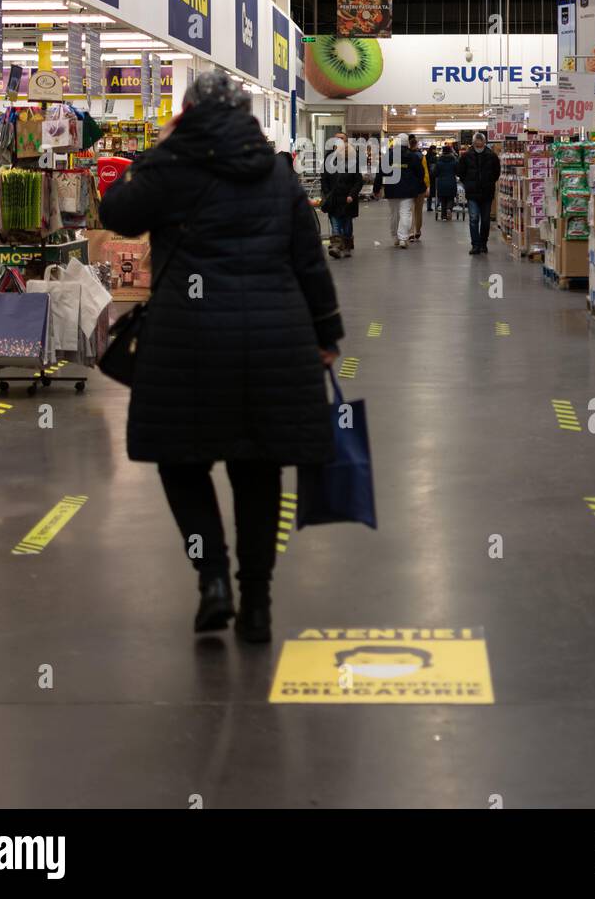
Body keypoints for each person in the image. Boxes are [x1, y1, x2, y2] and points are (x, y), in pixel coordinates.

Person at [98, 70, 343, 644]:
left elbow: (115, 212)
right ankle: (256, 599)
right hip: (273, 340)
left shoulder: (170, 166)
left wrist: (157, 153)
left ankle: (212, 579)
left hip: (187, 340)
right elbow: (310, 261)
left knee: (181, 463)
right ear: (244, 115)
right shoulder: (276, 175)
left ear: (185, 113)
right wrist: (326, 334)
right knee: (257, 471)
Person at [372, 133, 426, 248]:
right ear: (407, 142)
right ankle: (403, 238)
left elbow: (380, 173)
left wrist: (376, 188)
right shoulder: (413, 156)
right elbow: (420, 173)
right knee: (405, 213)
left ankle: (395, 237)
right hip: (408, 190)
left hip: (392, 189)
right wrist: (419, 186)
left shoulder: (388, 156)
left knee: (394, 214)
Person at [456, 131, 501, 255]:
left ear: (484, 143)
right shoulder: (466, 156)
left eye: (481, 143)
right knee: (474, 219)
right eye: (477, 143)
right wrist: (468, 183)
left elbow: (497, 172)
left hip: (487, 193)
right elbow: (460, 172)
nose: (479, 145)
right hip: (472, 193)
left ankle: (483, 243)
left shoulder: (492, 156)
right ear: (474, 143)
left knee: (486, 220)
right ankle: (475, 245)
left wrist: (490, 182)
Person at [320, 132, 363, 259]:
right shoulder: (328, 159)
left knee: (346, 225)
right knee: (335, 224)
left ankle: (346, 245)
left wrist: (352, 195)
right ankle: (336, 247)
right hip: (334, 198)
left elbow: (358, 181)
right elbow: (324, 178)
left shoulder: (353, 160)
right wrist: (327, 194)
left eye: (341, 139)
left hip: (348, 199)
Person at [407, 134, 430, 241]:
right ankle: (418, 231)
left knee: (409, 210)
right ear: (416, 144)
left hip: (408, 187)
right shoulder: (421, 156)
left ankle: (410, 232)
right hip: (420, 187)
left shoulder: (405, 155)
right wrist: (427, 186)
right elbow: (425, 172)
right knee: (418, 210)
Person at [434, 142, 458, 220]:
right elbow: (458, 171)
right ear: (450, 152)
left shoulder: (439, 162)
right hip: (451, 182)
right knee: (451, 198)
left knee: (443, 199)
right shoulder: (454, 162)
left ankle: (443, 216)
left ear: (442, 152)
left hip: (441, 183)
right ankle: (449, 209)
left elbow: (435, 173)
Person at [425, 144, 438, 213]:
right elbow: (435, 167)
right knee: (435, 191)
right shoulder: (434, 157)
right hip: (433, 176)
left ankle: (429, 206)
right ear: (433, 149)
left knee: (429, 191)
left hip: (428, 176)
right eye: (435, 149)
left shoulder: (426, 156)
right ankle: (436, 205)